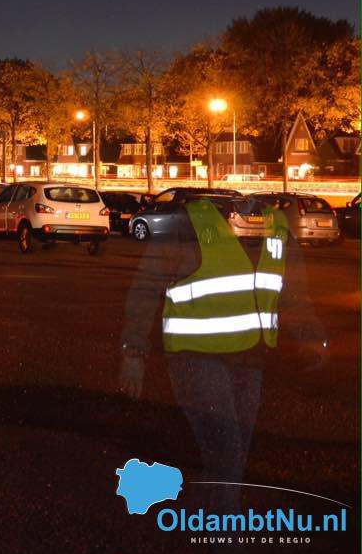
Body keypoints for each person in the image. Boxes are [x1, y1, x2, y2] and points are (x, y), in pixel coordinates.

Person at [118, 197, 327, 524]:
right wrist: (133, 353)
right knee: (227, 448)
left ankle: (200, 520)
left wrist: (310, 335)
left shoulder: (277, 228)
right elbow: (146, 287)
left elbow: (292, 291)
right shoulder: (190, 224)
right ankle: (225, 538)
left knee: (234, 451)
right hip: (195, 356)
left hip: (250, 356)